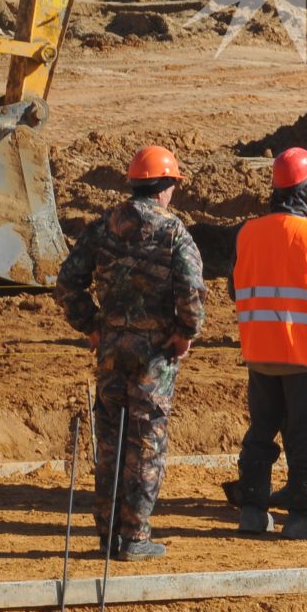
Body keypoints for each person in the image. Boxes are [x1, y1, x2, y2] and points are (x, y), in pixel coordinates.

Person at [53, 144, 204, 561]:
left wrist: (94, 326)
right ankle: (134, 538)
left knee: (111, 443)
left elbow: (67, 283)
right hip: (154, 356)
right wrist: (185, 334)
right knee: (146, 442)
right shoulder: (174, 232)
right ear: (165, 187)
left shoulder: (103, 226)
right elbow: (191, 291)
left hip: (112, 351)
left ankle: (107, 538)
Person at [226, 147, 307, 539]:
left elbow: (235, 287)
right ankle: (302, 515)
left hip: (260, 354)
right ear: (306, 189)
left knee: (261, 431)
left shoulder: (248, 232)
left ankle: (252, 510)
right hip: (302, 356)